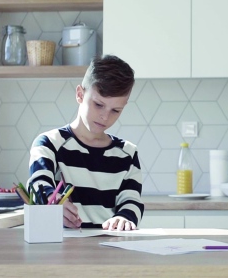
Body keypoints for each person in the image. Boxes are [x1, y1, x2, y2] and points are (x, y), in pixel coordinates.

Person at [27, 55, 144, 231]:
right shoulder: (49, 143)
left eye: (115, 110)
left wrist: (124, 217)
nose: (105, 116)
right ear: (80, 95)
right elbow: (38, 185)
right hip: (61, 250)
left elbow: (131, 201)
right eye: (98, 104)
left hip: (111, 250)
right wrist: (53, 199)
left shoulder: (128, 153)